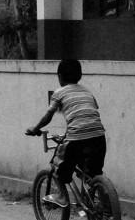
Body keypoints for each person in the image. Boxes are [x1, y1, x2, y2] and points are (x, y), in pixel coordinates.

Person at [25, 59, 106, 207]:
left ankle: (62, 196)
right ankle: (105, 201)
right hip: (99, 137)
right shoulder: (87, 92)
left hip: (76, 137)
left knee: (59, 165)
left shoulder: (59, 93)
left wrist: (35, 129)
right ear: (80, 75)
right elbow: (90, 112)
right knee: (94, 171)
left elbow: (48, 115)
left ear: (60, 76)